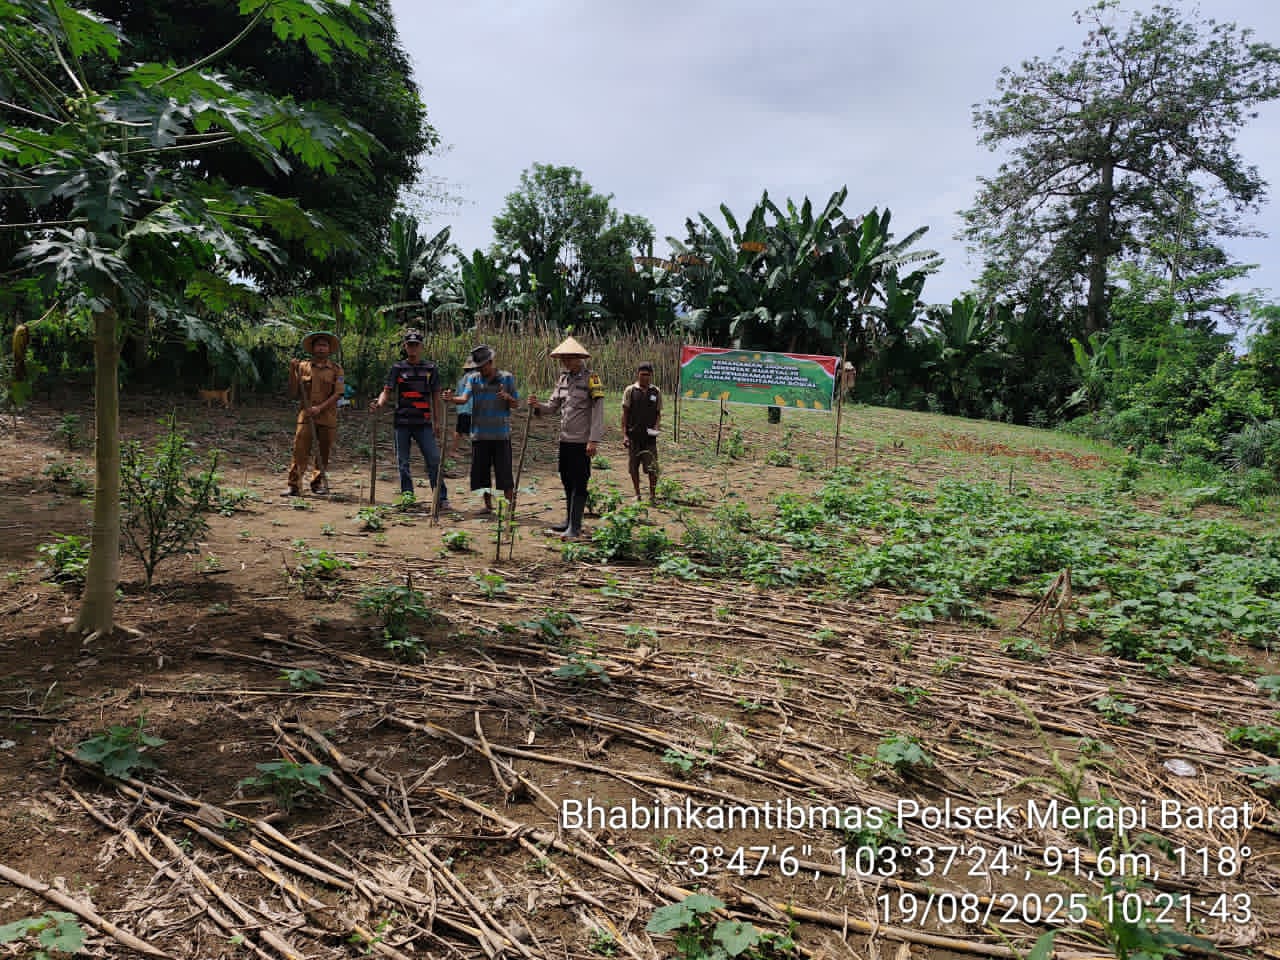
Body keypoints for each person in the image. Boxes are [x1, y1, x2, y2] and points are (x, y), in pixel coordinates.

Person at [527, 336, 604, 540]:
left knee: (580, 481)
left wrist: (594, 440)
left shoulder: (592, 379)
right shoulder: (563, 379)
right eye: (563, 359)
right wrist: (537, 406)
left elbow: (598, 411)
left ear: (579, 358)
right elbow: (552, 407)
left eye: (569, 358)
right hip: (565, 440)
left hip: (582, 441)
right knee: (566, 479)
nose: (565, 362)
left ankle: (575, 527)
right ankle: (569, 521)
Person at [369, 328, 451, 509]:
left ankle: (441, 497)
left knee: (433, 460)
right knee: (403, 462)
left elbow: (436, 396)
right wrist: (379, 403)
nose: (413, 348)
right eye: (410, 345)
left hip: (424, 423)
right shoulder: (398, 368)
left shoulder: (430, 368)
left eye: (416, 345)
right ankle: (408, 497)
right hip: (402, 422)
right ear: (405, 347)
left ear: (421, 347)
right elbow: (387, 391)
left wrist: (437, 422)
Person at [445, 344, 519, 514]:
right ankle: (488, 506)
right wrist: (451, 398)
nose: (480, 370)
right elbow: (464, 399)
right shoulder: (473, 379)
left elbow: (516, 404)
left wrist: (507, 397)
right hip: (479, 434)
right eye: (478, 367)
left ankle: (509, 509)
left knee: (504, 474)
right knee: (481, 473)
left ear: (491, 362)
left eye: (483, 366)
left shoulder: (507, 378)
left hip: (501, 435)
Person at [284, 331, 344, 496]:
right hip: (306, 416)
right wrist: (292, 371)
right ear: (312, 348)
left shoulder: (336, 370)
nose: (321, 348)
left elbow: (338, 393)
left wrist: (320, 408)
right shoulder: (302, 367)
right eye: (318, 345)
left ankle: (317, 484)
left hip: (327, 417)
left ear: (329, 349)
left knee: (323, 452)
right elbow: (293, 392)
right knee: (299, 450)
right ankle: (294, 485)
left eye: (324, 345)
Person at [621, 361, 662, 502]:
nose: (645, 377)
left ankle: (652, 495)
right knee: (633, 467)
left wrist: (656, 427)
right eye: (642, 374)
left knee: (652, 467)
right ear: (638, 374)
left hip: (650, 437)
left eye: (648, 375)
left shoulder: (656, 391)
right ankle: (637, 494)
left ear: (651, 375)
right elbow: (625, 414)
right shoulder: (630, 391)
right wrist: (625, 435)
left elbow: (658, 413)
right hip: (634, 436)